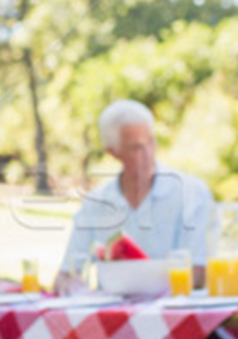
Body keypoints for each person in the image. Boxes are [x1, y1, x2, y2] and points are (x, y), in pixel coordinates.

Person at [54, 99, 212, 294]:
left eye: (151, 142)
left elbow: (198, 273)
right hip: (112, 319)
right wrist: (71, 286)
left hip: (174, 317)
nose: (148, 154)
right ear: (113, 152)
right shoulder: (95, 204)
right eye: (136, 148)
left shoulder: (192, 192)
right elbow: (65, 274)